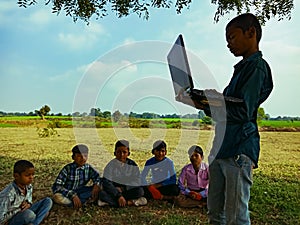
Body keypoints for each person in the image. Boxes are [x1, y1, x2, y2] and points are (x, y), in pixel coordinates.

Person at [176, 13, 273, 224]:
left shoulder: (256, 67)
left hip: (238, 149)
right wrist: (197, 102)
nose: (228, 44)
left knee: (235, 217)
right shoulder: (241, 70)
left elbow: (242, 111)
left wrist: (211, 100)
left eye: (232, 37)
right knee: (215, 214)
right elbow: (225, 110)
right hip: (221, 148)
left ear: (251, 33)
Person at [0, 160, 52, 225]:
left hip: (25, 211)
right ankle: (37, 219)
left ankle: (34, 222)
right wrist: (19, 209)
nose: (31, 177)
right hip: (12, 219)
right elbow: (1, 219)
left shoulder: (29, 187)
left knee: (48, 201)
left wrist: (29, 204)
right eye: (27, 175)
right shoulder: (7, 194)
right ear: (16, 176)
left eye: (33, 174)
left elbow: (29, 201)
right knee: (31, 215)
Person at [52, 144, 102, 209]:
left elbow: (97, 177)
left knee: (101, 187)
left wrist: (96, 185)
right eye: (79, 156)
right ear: (73, 157)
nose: (83, 158)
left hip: (81, 191)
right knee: (57, 197)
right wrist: (72, 195)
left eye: (85, 156)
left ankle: (80, 201)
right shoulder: (67, 169)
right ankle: (83, 201)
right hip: (68, 193)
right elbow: (57, 186)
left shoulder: (88, 168)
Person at [99, 140, 147, 207]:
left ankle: (113, 203)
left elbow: (137, 180)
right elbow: (107, 182)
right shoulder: (110, 165)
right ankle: (129, 202)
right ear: (114, 153)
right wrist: (118, 195)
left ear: (128, 153)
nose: (121, 155)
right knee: (102, 193)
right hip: (115, 191)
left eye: (124, 152)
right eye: (119, 152)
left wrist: (124, 188)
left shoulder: (132, 165)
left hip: (126, 190)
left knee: (140, 191)